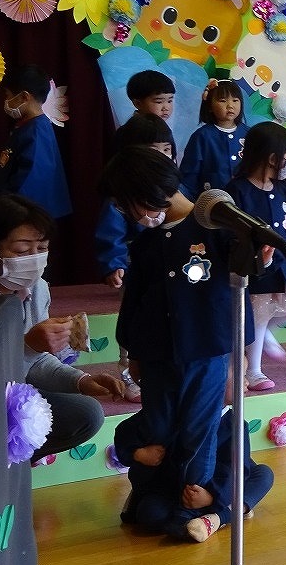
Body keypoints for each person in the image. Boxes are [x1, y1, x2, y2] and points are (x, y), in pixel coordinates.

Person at [99, 147, 247, 495]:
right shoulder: (146, 243)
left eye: (126, 205)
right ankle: (157, 495)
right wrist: (134, 353)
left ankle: (196, 496)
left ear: (147, 193)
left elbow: (239, 291)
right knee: (158, 427)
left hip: (206, 353)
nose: (128, 214)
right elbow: (134, 302)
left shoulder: (215, 227)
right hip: (157, 356)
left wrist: (239, 354)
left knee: (199, 429)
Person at [0, 195, 122, 459]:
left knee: (87, 414)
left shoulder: (38, 289)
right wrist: (28, 346)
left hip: (13, 390)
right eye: (22, 251)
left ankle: (14, 460)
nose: (34, 259)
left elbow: (37, 363)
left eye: (42, 248)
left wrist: (81, 381)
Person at [94, 113, 178, 403]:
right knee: (133, 323)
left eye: (167, 150)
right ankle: (127, 373)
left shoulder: (176, 190)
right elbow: (111, 234)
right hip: (136, 269)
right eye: (153, 150)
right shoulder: (123, 197)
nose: (162, 157)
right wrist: (114, 264)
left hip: (169, 273)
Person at [224, 121, 286, 390]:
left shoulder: (284, 191)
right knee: (258, 316)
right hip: (257, 268)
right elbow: (230, 232)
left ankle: (265, 337)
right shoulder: (237, 191)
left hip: (285, 264)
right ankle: (254, 370)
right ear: (272, 157)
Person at [119, 408, 274, 544]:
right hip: (178, 490)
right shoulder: (176, 411)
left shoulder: (236, 423)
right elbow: (125, 432)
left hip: (220, 487)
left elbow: (236, 471)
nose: (245, 386)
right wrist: (138, 454)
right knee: (151, 515)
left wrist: (213, 497)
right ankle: (238, 509)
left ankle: (219, 518)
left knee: (264, 474)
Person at [0, 64, 71, 219]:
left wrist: (4, 208)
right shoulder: (28, 126)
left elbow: (29, 183)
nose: (6, 101)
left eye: (7, 95)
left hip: (24, 216)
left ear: (24, 97)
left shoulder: (36, 132)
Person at [179, 79, 247, 198]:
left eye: (235, 100)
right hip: (210, 201)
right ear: (210, 106)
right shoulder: (201, 136)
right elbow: (189, 175)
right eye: (223, 101)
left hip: (244, 200)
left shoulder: (249, 133)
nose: (230, 105)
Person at [110, 70, 176, 155]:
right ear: (138, 103)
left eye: (169, 101)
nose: (166, 108)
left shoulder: (164, 129)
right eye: (159, 102)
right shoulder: (128, 132)